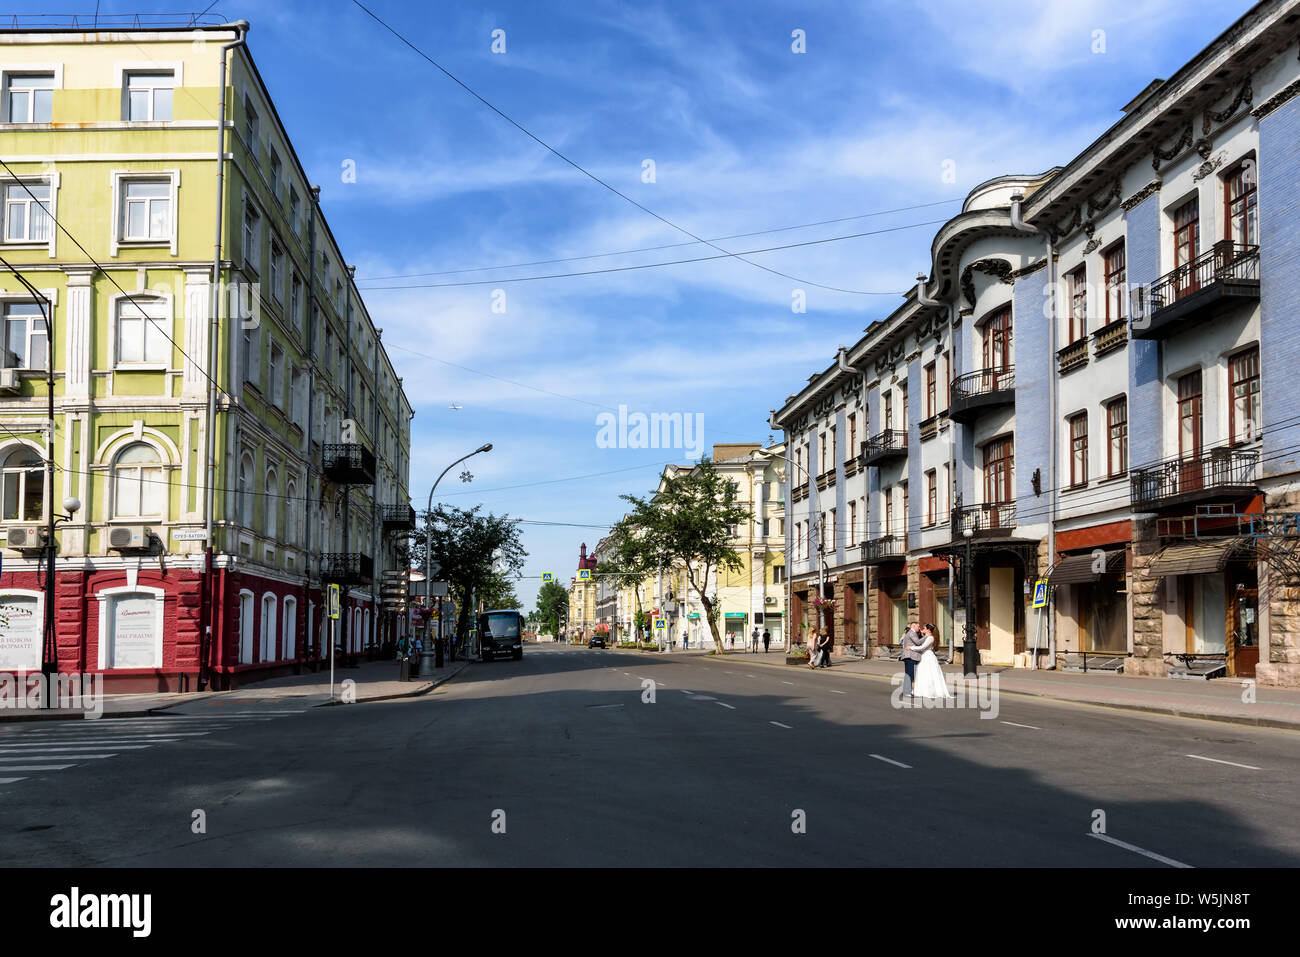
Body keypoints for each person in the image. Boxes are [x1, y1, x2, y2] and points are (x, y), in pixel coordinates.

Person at [913, 623, 953, 700]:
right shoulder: (927, 637)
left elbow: (922, 647)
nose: (922, 629)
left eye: (924, 628)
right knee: (924, 673)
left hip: (928, 657)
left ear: (928, 630)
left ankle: (930, 691)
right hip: (925, 656)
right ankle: (923, 690)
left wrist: (911, 647)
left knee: (929, 673)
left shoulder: (930, 638)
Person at [900, 620, 925, 697]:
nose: (919, 628)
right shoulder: (912, 633)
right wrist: (926, 636)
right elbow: (918, 642)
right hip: (909, 656)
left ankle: (906, 691)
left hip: (910, 656)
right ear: (913, 626)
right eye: (918, 626)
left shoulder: (911, 633)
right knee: (909, 674)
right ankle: (907, 692)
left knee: (910, 674)